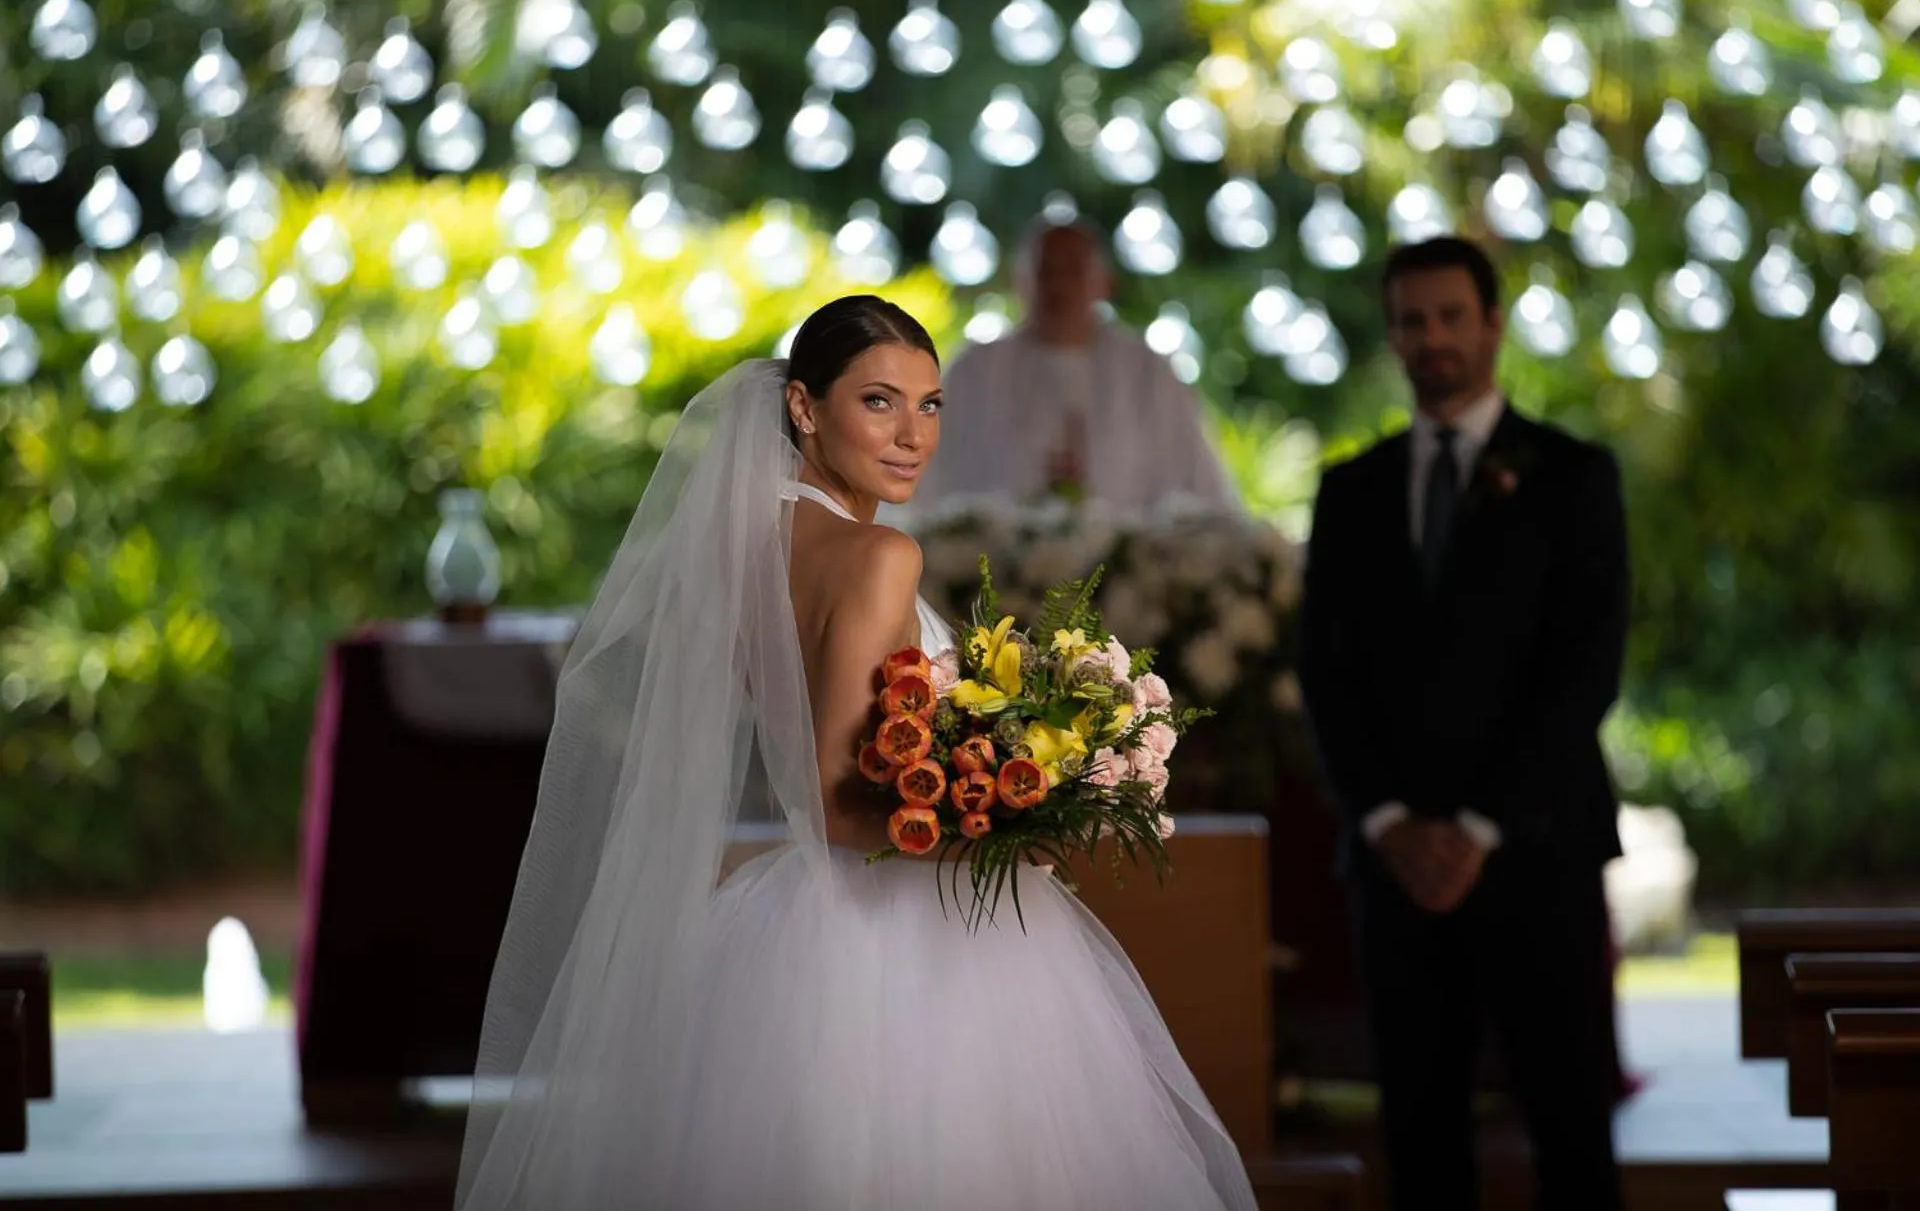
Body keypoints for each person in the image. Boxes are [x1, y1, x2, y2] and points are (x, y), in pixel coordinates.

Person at [455, 295, 1258, 1210]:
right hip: (904, 940)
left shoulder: (751, 544)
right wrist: (1018, 831)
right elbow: (841, 804)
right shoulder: (878, 556)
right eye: (879, 402)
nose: (913, 434)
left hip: (787, 928)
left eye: (930, 404)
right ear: (804, 407)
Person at [1298, 237, 1629, 1211]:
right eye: (1412, 319)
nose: (1431, 337)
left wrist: (1480, 825)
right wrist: (1392, 820)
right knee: (1421, 1134)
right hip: (1395, 863)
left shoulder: (1574, 477)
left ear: (1491, 322)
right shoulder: (1351, 489)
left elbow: (1587, 666)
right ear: (1393, 334)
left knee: (1570, 1127)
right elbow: (1326, 674)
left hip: (1538, 848)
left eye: (1450, 315)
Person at [911, 216, 1237, 511]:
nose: (1059, 286)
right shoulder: (976, 372)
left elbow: (1197, 484)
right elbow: (926, 480)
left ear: (1104, 283)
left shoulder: (1147, 373)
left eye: (1073, 271)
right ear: (1020, 282)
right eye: (1047, 271)